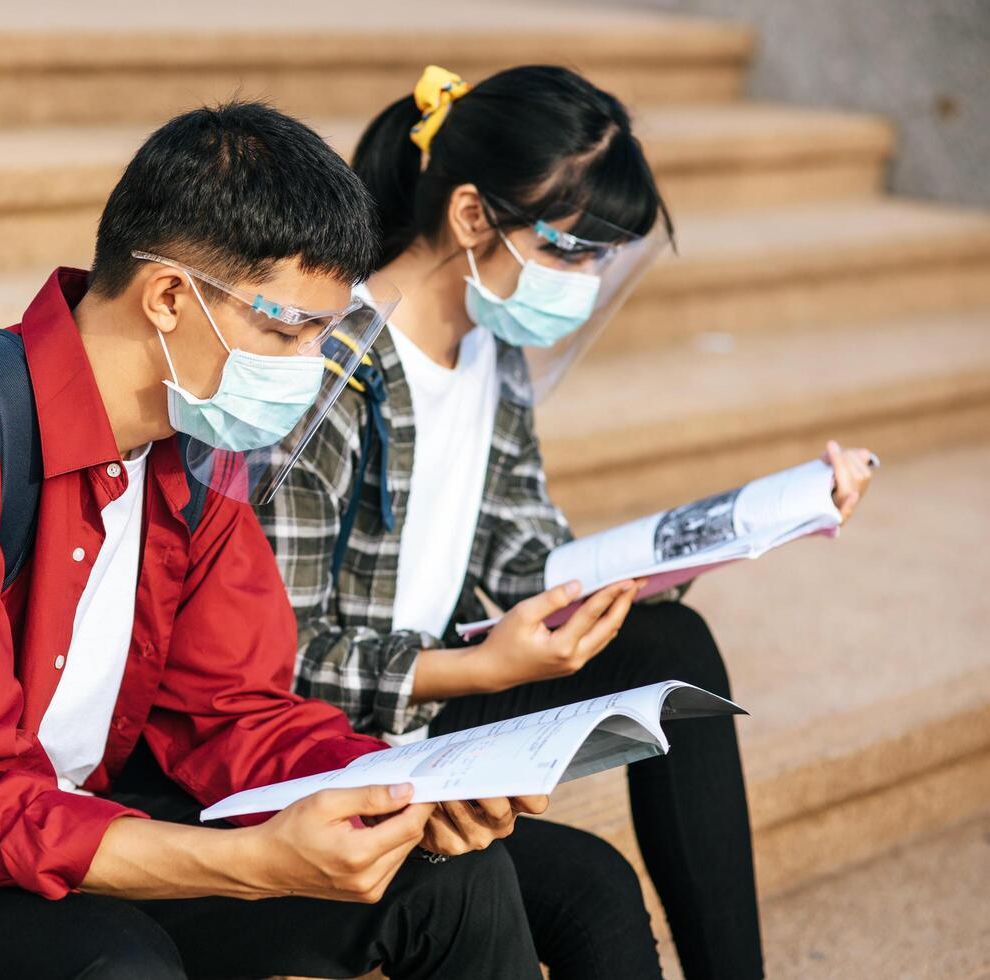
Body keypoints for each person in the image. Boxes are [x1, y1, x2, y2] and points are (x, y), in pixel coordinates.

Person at [0, 100, 555, 980]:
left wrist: (405, 781)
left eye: (328, 330)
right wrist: (251, 866)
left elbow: (229, 712)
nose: (318, 363)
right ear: (168, 297)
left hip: (72, 810)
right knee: (117, 965)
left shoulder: (193, 450)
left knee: (455, 880)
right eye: (290, 329)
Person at [256, 66, 877, 980]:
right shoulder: (332, 369)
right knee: (593, 892)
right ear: (473, 216)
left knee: (675, 644)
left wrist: (742, 523)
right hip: (322, 734)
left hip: (430, 691)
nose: (583, 281)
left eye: (601, 257)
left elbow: (527, 561)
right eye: (570, 249)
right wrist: (481, 667)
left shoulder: (489, 350)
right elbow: (277, 659)